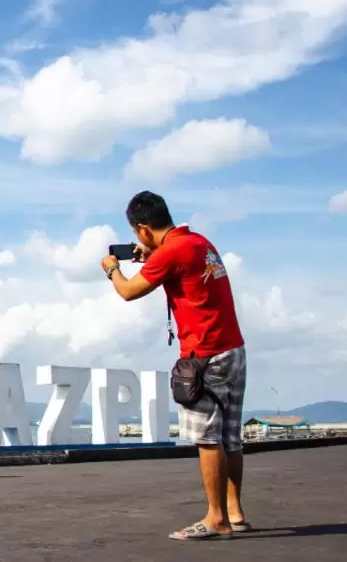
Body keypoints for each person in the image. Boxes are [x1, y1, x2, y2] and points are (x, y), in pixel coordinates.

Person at [101, 191, 248, 541]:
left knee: (207, 439)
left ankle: (216, 519)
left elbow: (128, 291)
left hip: (204, 356)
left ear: (143, 228)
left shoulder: (171, 252)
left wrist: (113, 270)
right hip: (233, 350)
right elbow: (183, 272)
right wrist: (154, 255)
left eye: (138, 234)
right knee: (230, 437)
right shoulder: (198, 242)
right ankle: (235, 511)